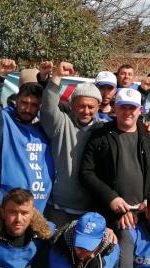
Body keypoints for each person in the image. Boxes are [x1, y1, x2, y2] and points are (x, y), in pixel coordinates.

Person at [80, 88, 150, 228]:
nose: (127, 112)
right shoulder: (99, 136)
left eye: (132, 108)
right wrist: (110, 197)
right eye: (123, 107)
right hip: (109, 215)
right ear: (115, 108)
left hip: (146, 213)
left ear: (140, 110)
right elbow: (86, 172)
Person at [0, 60, 53, 215]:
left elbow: (50, 104)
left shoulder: (45, 125)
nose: (28, 109)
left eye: (34, 105)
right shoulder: (4, 119)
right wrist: (0, 75)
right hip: (4, 203)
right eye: (24, 103)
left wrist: (45, 79)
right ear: (16, 100)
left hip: (37, 206)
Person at [37, 61, 105, 226]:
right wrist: (57, 76)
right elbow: (48, 107)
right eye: (81, 106)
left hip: (90, 211)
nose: (86, 111)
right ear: (72, 104)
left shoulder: (103, 129)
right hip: (57, 208)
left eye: (90, 107)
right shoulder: (60, 123)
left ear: (98, 107)